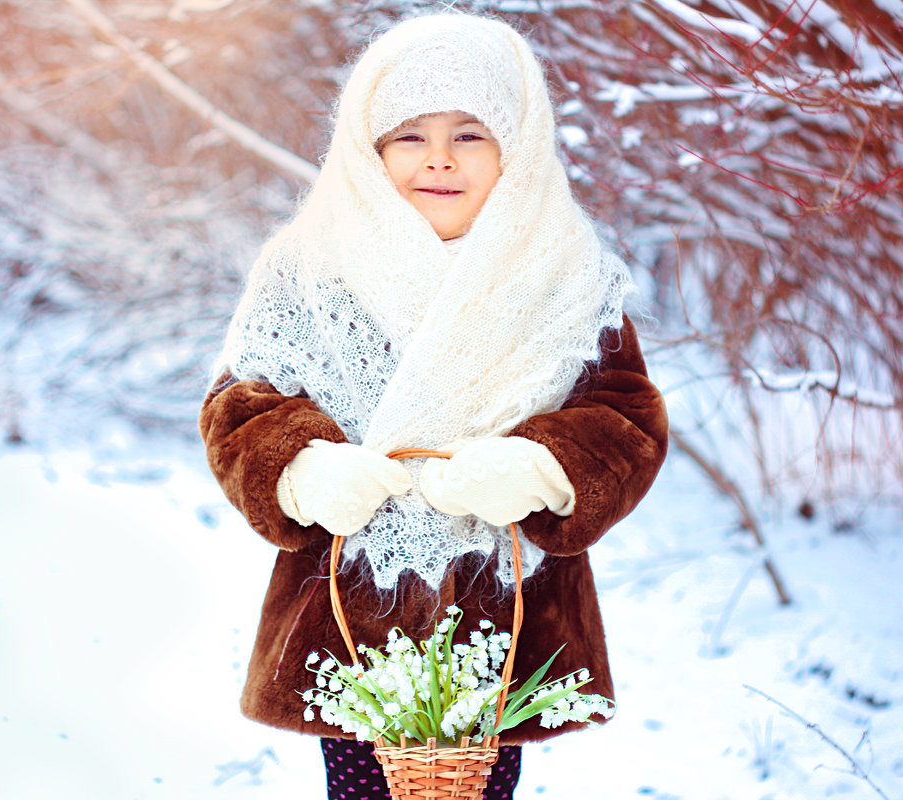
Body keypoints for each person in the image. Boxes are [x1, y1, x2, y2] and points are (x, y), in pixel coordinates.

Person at [199, 12, 668, 800]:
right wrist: (301, 469)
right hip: (347, 621)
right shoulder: (308, 266)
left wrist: (544, 466)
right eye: (409, 136)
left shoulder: (563, 272)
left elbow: (626, 418)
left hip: (503, 618)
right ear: (367, 147)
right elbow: (237, 409)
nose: (440, 159)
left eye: (471, 134)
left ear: (514, 149)